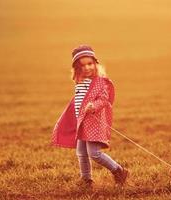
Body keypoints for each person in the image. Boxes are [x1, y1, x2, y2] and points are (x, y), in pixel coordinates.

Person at [51, 45, 128, 188]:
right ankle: (86, 180)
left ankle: (119, 170)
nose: (87, 68)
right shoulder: (80, 82)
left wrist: (94, 106)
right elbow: (78, 101)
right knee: (81, 152)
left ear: (95, 63)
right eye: (82, 66)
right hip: (82, 123)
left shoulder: (100, 81)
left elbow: (104, 99)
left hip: (94, 122)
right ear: (76, 69)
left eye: (90, 64)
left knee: (94, 153)